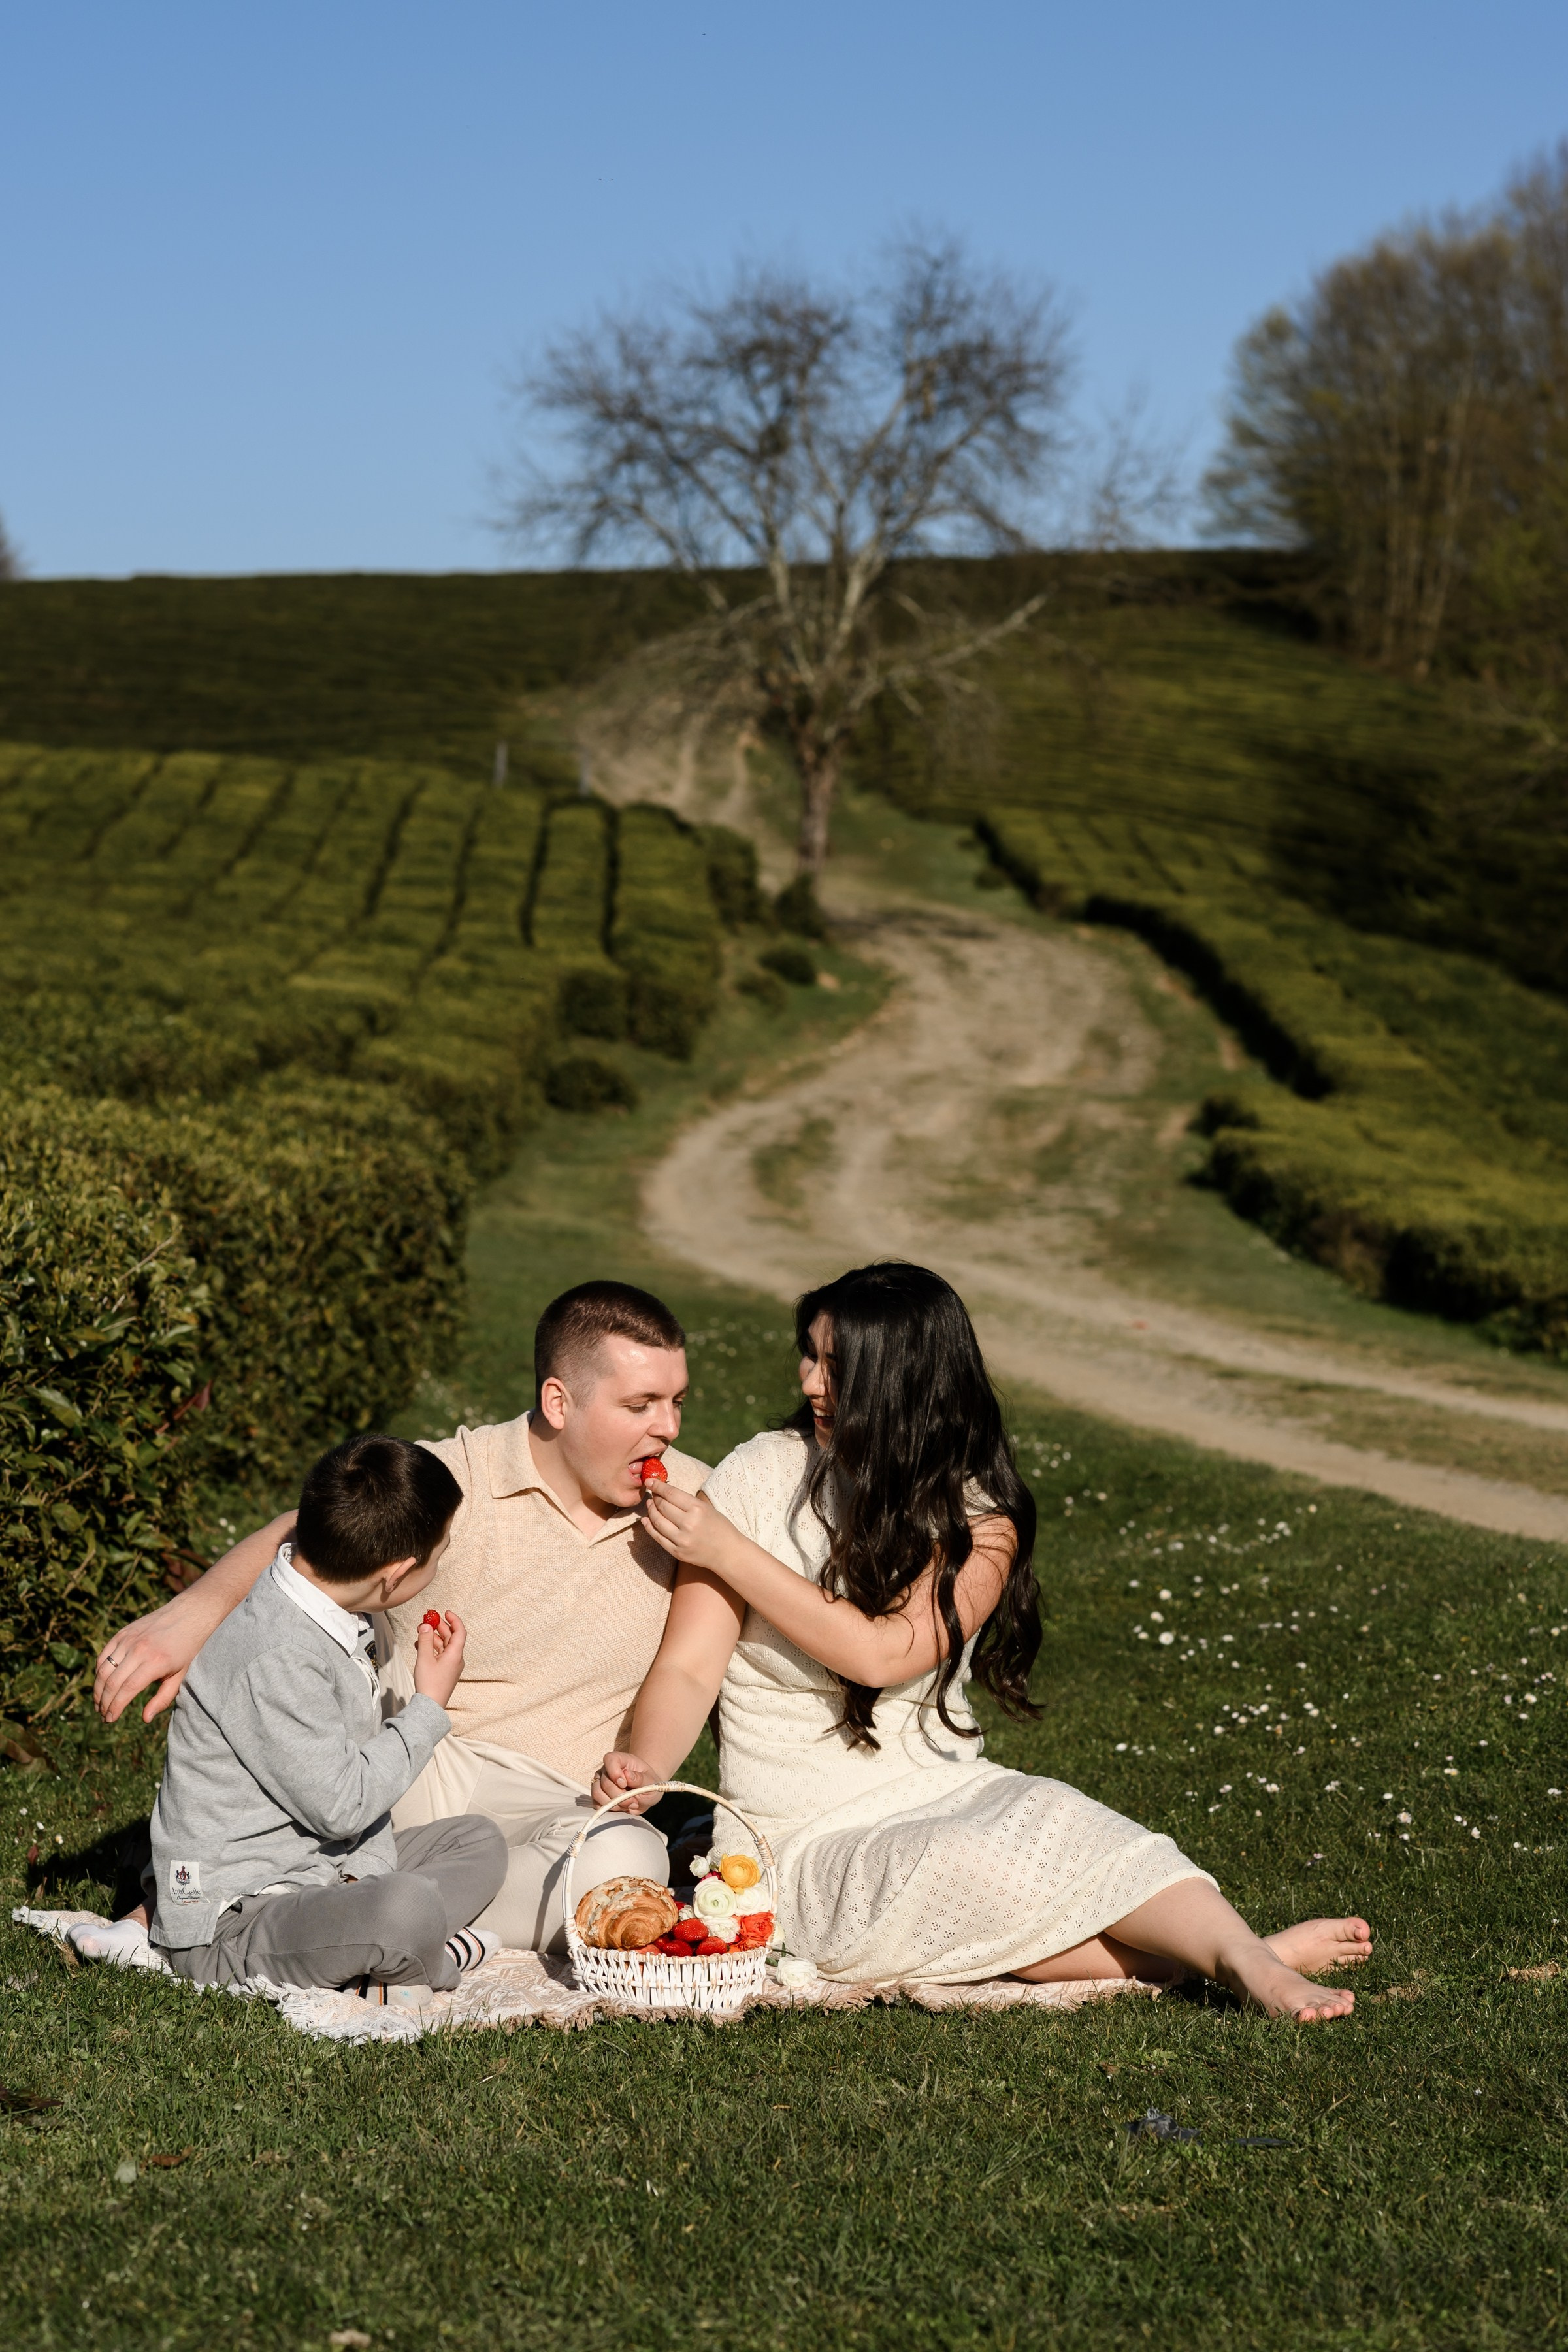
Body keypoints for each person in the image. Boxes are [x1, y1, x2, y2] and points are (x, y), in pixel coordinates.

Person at [595, 1261, 1372, 2022]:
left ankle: (1241, 1958)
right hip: (798, 1830)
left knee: (1059, 1819)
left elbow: (884, 1653)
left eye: (835, 1365)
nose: (808, 1382)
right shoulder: (759, 1476)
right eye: (810, 1355)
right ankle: (1230, 1957)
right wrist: (652, 1770)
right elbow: (690, 1666)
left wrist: (731, 1553)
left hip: (944, 1785)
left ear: (903, 1380)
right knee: (958, 1868)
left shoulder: (981, 1518)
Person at [96, 1282, 709, 1952]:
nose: (669, 1429)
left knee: (632, 1866)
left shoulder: (694, 1506)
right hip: (413, 1766)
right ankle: (330, 1910)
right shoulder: (455, 1475)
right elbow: (307, 1536)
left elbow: (687, 1668)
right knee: (330, 1804)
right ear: (559, 1402)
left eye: (676, 1402)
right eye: (640, 1405)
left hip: (562, 1796)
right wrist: (192, 1615)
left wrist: (643, 1768)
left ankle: (322, 1911)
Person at [149, 1433, 505, 1997]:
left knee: (479, 1841)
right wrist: (428, 1706)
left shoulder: (321, 1611)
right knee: (404, 1908)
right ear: (396, 1574)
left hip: (321, 1871)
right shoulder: (280, 1653)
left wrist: (362, 1874)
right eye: (439, 1557)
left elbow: (343, 1802)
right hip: (234, 1916)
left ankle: (394, 1944)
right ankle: (424, 1955)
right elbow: (344, 1807)